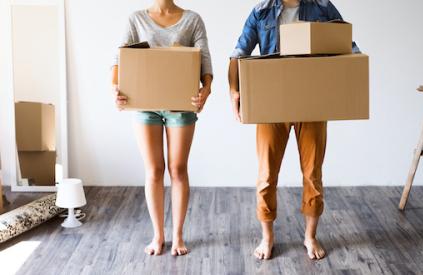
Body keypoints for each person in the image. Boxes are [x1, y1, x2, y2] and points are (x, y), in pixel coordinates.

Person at [228, 0, 359, 260]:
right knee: (266, 174)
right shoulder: (261, 11)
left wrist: (352, 78)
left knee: (312, 173)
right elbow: (238, 53)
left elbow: (348, 47)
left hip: (311, 102)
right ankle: (267, 238)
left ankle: (310, 237)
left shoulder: (322, 8)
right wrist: (234, 91)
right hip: (271, 103)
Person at [110, 0, 213, 256]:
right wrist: (115, 89)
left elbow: (205, 61)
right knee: (154, 170)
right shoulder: (136, 19)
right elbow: (119, 60)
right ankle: (158, 235)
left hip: (181, 104)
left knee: (178, 169)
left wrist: (206, 91)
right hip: (146, 106)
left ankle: (178, 236)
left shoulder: (192, 20)